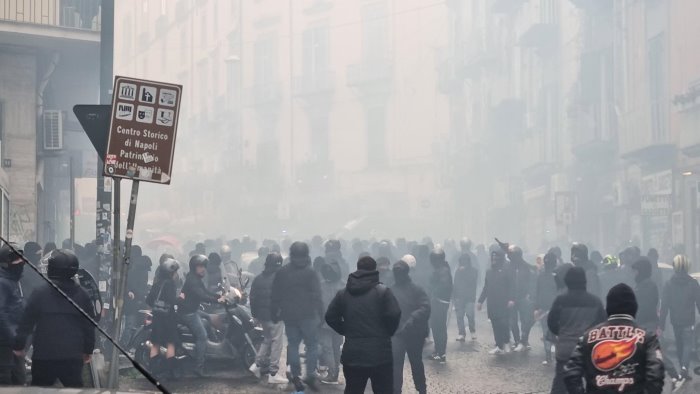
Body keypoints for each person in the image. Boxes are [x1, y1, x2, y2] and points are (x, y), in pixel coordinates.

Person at [13, 249, 94, 387]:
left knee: (39, 389)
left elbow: (26, 322)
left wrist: (20, 345)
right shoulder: (83, 295)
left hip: (44, 355)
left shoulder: (39, 293)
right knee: (74, 389)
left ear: (52, 269)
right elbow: (89, 326)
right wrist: (88, 350)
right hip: (72, 356)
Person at [563, 283, 665, 394]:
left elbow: (571, 372)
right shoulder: (648, 338)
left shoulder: (587, 337)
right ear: (634, 308)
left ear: (608, 308)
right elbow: (656, 374)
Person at [325, 256, 401, 394]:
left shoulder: (343, 293)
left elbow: (330, 317)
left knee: (353, 390)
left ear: (357, 268)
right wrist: (387, 332)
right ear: (374, 269)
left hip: (353, 354)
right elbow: (394, 314)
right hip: (380, 354)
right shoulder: (383, 292)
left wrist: (345, 329)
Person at [270, 242, 323, 391]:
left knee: (292, 345)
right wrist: (322, 314)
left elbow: (275, 296)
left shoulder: (282, 272)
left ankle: (295, 375)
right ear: (306, 254)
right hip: (309, 315)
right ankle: (311, 374)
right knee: (312, 345)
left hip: (290, 315)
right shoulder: (311, 272)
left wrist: (274, 313)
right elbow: (318, 296)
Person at [547, 267, 606, 394]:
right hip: (588, 350)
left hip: (565, 349)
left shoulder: (560, 300)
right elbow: (603, 324)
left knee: (559, 385)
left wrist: (562, 332)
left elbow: (551, 323)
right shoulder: (595, 301)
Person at [179, 255, 225, 377]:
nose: (203, 269)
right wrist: (217, 301)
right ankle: (198, 366)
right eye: (200, 267)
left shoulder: (196, 278)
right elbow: (201, 295)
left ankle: (214, 348)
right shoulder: (192, 280)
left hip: (193, 310)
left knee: (209, 318)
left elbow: (206, 292)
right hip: (188, 313)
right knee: (202, 336)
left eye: (204, 266)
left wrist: (218, 296)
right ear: (194, 267)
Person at [390, 260, 429, 394]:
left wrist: (413, 318)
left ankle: (421, 389)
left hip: (414, 333)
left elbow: (425, 307)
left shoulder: (416, 289)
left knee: (416, 363)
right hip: (397, 333)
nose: (398, 275)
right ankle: (396, 390)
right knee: (396, 364)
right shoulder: (391, 290)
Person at [248, 253, 288, 385]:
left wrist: (255, 315)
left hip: (263, 316)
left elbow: (252, 298)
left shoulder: (258, 278)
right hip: (276, 316)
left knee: (267, 339)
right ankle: (273, 374)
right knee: (277, 343)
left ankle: (257, 365)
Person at [659, 255, 700, 381]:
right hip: (689, 320)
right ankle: (684, 368)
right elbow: (699, 302)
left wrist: (661, 324)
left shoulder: (668, 284)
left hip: (675, 321)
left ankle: (683, 368)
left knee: (680, 345)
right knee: (687, 344)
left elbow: (664, 305)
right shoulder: (693, 283)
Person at [145, 258, 180, 380]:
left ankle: (153, 371)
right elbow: (172, 300)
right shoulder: (170, 284)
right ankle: (169, 372)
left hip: (157, 318)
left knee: (156, 344)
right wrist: (180, 298)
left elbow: (149, 300)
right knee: (171, 344)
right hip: (168, 319)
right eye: (175, 272)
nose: (176, 274)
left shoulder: (157, 283)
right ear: (171, 272)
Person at [478, 249, 515, 355]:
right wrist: (480, 301)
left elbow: (512, 286)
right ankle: (499, 345)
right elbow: (486, 287)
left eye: (496, 258)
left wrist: (511, 299)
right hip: (492, 303)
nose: (494, 260)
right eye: (493, 258)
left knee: (504, 323)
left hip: (503, 302)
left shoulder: (506, 271)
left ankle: (507, 342)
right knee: (495, 324)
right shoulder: (489, 272)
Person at [0, 243, 25, 385]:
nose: (20, 264)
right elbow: (1, 313)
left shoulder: (12, 281)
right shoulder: (4, 283)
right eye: (15, 260)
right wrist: (13, 337)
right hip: (5, 344)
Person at [318, 258, 344, 385]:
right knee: (335, 348)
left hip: (325, 323)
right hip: (338, 323)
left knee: (329, 348)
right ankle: (334, 373)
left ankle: (333, 374)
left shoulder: (322, 286)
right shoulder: (343, 285)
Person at [507, 245, 535, 351]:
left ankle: (524, 340)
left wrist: (529, 294)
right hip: (511, 298)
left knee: (525, 320)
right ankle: (517, 340)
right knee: (512, 321)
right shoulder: (508, 267)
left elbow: (532, 281)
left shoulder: (526, 267)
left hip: (523, 298)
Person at [428, 248, 452, 362]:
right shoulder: (442, 268)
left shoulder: (443, 270)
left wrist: (434, 293)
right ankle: (438, 351)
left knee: (439, 327)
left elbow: (444, 285)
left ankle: (440, 352)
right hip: (439, 301)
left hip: (440, 302)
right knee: (437, 327)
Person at [534, 252, 558, 365]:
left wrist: (537, 307)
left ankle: (550, 356)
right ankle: (551, 356)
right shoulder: (556, 275)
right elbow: (538, 292)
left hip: (550, 309)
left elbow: (538, 292)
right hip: (549, 309)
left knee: (548, 332)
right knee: (549, 332)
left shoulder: (545, 276)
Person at [452, 253, 478, 342]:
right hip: (459, 297)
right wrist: (454, 296)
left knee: (470, 315)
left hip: (470, 297)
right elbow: (455, 284)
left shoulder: (473, 271)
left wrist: (465, 272)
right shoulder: (457, 271)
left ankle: (472, 330)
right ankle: (461, 333)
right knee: (459, 316)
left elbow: (473, 281)